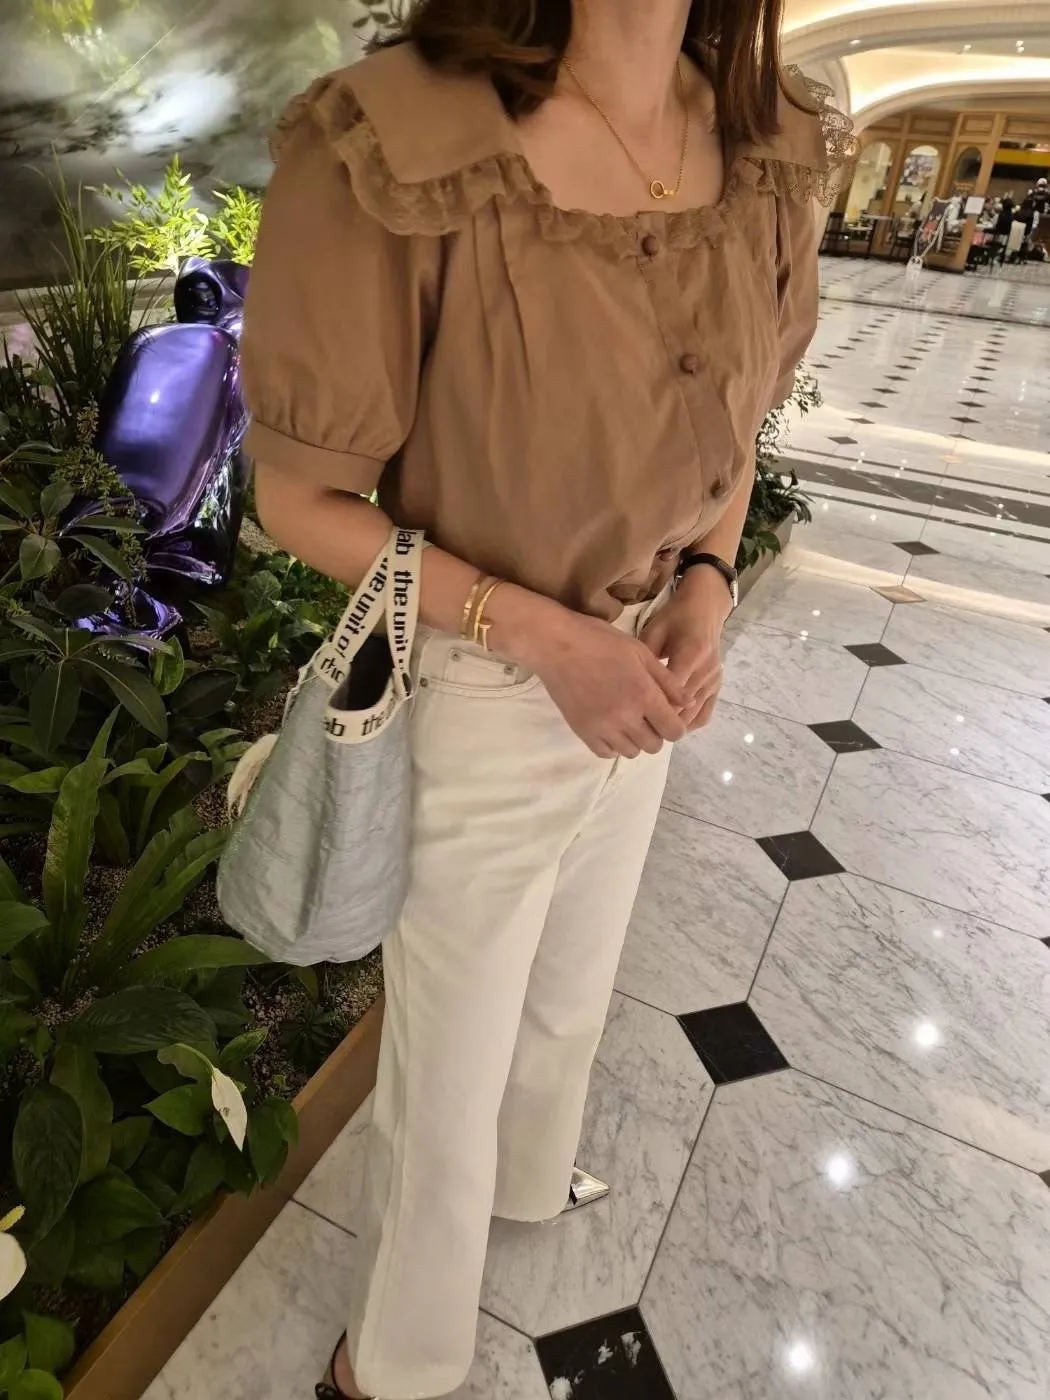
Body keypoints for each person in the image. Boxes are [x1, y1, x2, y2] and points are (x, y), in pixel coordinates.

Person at [239, 1, 852, 1396]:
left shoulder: (760, 138)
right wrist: (552, 645)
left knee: (571, 985)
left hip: (649, 664)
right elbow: (298, 501)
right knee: (446, 1069)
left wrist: (706, 580)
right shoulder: (400, 140)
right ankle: (394, 1361)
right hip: (483, 680)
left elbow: (739, 423)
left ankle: (529, 1187)